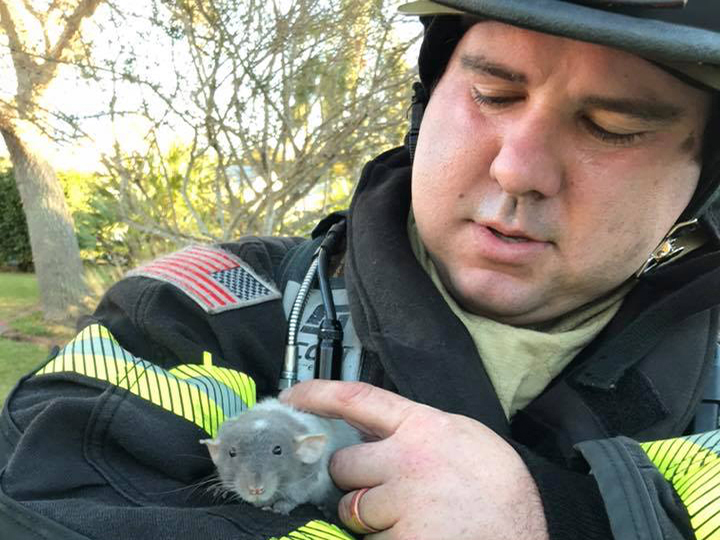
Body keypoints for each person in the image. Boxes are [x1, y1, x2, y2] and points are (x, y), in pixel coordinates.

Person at [1, 1, 719, 539]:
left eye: (612, 128)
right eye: (493, 94)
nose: (517, 168)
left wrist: (560, 517)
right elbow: (50, 500)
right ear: (427, 99)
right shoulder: (197, 311)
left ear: (701, 180)